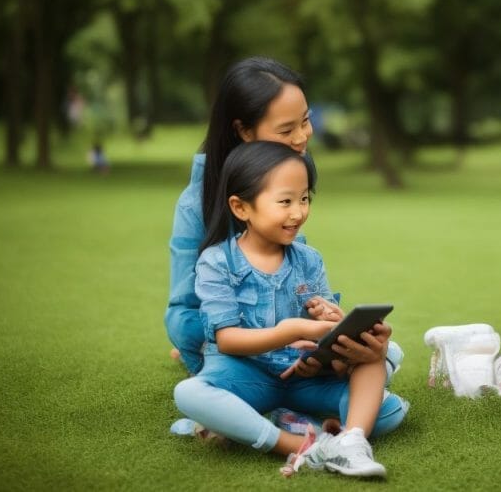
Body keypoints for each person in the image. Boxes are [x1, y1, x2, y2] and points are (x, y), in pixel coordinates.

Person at [173, 141, 405, 478]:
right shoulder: (217, 262)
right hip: (245, 376)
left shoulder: (309, 259)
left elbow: (324, 329)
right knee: (189, 393)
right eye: (285, 202)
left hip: (304, 378)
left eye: (305, 199)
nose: (298, 212)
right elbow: (227, 340)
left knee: (385, 394)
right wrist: (295, 329)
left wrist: (334, 326)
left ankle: (350, 441)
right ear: (241, 207)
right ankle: (298, 443)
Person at [165, 56, 402, 379]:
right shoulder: (197, 203)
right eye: (286, 129)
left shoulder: (293, 168)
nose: (302, 137)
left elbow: (296, 282)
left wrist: (331, 320)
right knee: (197, 335)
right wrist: (230, 333)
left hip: (289, 333)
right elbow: (183, 311)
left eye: (304, 121)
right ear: (244, 130)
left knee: (382, 349)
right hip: (235, 337)